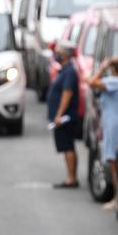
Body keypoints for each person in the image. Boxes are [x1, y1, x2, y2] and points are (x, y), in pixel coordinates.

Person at [88, 57, 118, 210]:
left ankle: (117, 197)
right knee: (117, 163)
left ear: (113, 68)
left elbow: (92, 82)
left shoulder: (115, 82)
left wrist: (101, 68)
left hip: (114, 126)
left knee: (114, 162)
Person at [47, 45, 81, 188]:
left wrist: (59, 115)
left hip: (66, 117)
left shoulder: (69, 72)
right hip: (64, 116)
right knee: (66, 146)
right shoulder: (64, 71)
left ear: (66, 55)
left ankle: (71, 178)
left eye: (59, 53)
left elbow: (67, 93)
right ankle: (70, 177)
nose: (56, 55)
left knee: (68, 146)